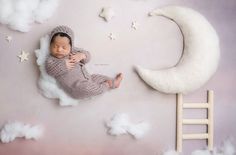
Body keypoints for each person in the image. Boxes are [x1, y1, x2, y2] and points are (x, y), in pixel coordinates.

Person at [45, 25, 123, 99]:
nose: (59, 50)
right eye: (55, 46)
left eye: (64, 47)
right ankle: (106, 85)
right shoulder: (51, 60)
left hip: (87, 79)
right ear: (50, 45)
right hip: (75, 89)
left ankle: (114, 83)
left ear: (71, 46)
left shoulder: (74, 51)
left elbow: (88, 56)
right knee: (88, 88)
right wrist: (63, 65)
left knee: (98, 77)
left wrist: (82, 55)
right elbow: (50, 70)